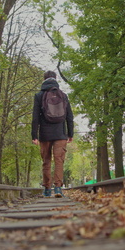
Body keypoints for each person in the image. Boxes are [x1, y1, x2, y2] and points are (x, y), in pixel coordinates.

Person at [32, 70, 74, 198]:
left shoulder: (39, 95)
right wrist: (70, 133)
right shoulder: (63, 95)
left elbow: (35, 117)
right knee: (59, 161)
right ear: (55, 79)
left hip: (45, 134)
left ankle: (46, 189)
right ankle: (58, 189)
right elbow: (69, 116)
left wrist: (34, 135)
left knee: (46, 161)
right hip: (60, 133)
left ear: (44, 79)